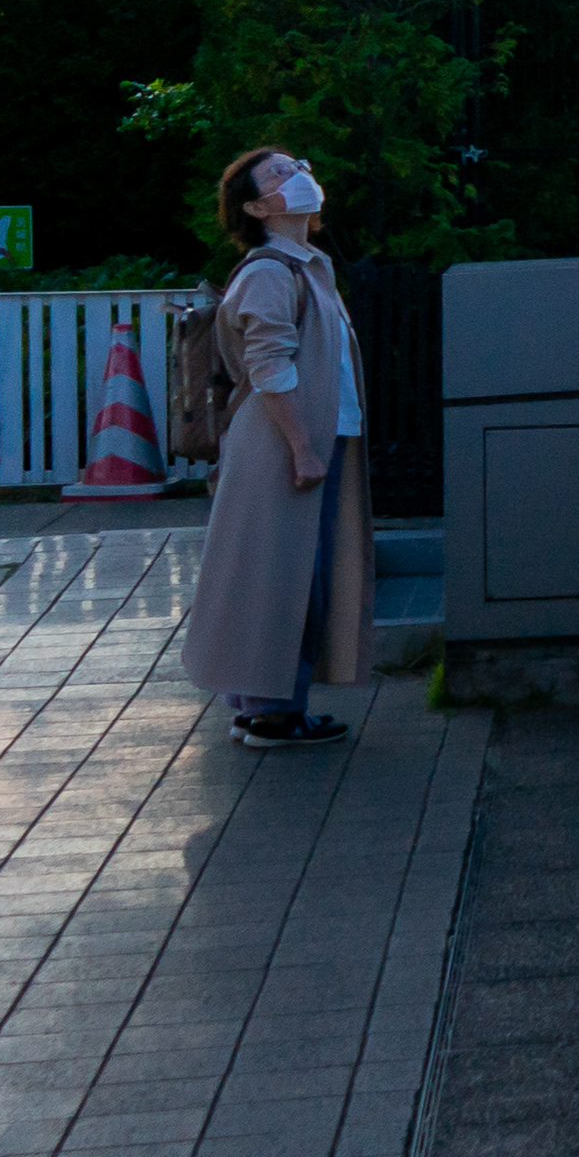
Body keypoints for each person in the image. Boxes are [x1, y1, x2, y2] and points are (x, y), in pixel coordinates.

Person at [179, 145, 375, 749]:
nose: (302, 176)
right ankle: (273, 714)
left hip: (307, 440)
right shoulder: (270, 271)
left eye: (301, 167)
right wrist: (303, 449)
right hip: (285, 447)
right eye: (283, 174)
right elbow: (270, 368)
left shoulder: (304, 264)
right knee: (287, 578)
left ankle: (261, 707)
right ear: (260, 205)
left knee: (280, 573)